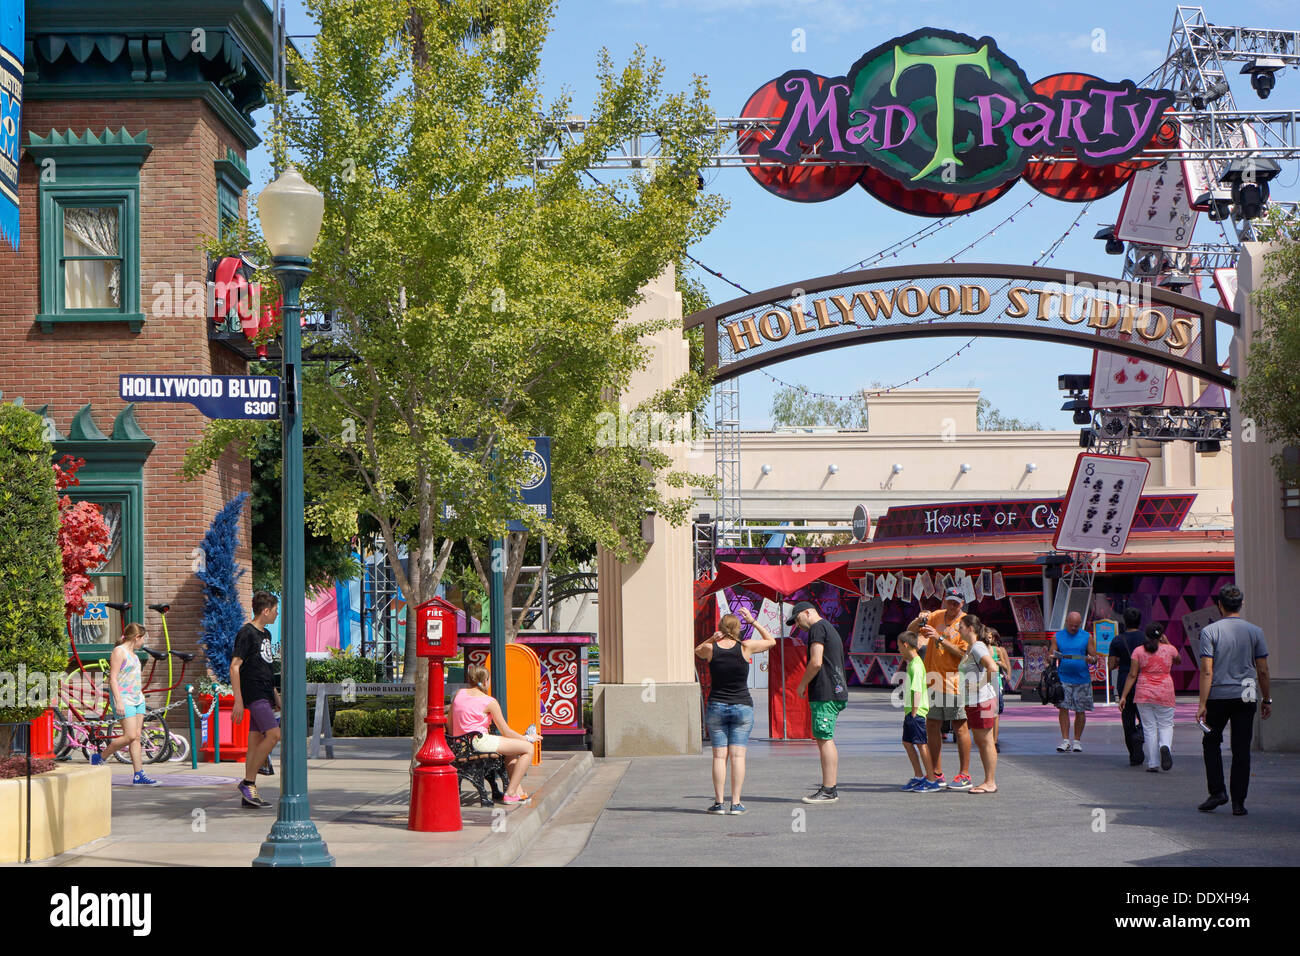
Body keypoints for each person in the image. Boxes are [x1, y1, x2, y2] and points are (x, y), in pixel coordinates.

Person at [694, 607, 777, 814]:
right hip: (742, 706)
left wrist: (712, 639)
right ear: (739, 628)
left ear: (720, 628)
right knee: (738, 757)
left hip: (717, 706)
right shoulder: (746, 647)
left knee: (719, 757)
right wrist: (753, 621)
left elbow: (697, 651)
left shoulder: (712, 649)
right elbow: (771, 641)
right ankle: (736, 803)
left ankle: (719, 803)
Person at [1196, 585, 1271, 815]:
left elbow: (1207, 670)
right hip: (1247, 693)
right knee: (1241, 748)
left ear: (1219, 605)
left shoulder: (1210, 632)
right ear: (1242, 604)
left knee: (1210, 742)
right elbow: (1263, 669)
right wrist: (1267, 699)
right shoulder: (1255, 631)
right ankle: (1239, 802)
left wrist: (1202, 704)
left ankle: (1217, 791)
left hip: (1218, 695)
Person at [909, 587, 972, 790]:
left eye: (956, 602)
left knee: (960, 726)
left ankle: (964, 773)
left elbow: (963, 654)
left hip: (955, 681)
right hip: (932, 679)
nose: (952, 606)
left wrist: (939, 638)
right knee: (932, 725)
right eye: (949, 601)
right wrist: (920, 619)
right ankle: (936, 772)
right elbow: (910, 631)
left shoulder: (967, 622)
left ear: (962, 603)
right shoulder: (936, 615)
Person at [451, 664, 541, 804]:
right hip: (479, 742)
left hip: (459, 744)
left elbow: (450, 722)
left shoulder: (459, 694)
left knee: (511, 751)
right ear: (486, 680)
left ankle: (518, 791)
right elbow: (506, 731)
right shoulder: (489, 701)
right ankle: (510, 793)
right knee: (528, 748)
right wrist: (528, 738)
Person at [789, 601, 849, 804]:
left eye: (798, 620)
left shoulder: (817, 628)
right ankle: (829, 787)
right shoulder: (828, 627)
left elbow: (816, 661)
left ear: (808, 612)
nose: (798, 625)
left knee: (824, 738)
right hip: (835, 689)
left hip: (826, 691)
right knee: (824, 738)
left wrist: (802, 684)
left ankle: (829, 789)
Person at [92, 622, 161, 786]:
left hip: (138, 699)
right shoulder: (119, 651)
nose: (144, 642)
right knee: (129, 735)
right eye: (143, 638)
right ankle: (99, 757)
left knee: (136, 737)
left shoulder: (135, 655)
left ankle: (139, 775)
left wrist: (141, 697)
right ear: (137, 637)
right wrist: (118, 701)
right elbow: (113, 678)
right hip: (124, 699)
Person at [231, 591, 282, 808]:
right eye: (275, 610)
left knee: (254, 741)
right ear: (266, 610)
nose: (277, 614)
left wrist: (277, 698)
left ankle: (249, 791)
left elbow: (267, 670)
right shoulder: (247, 633)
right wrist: (238, 701)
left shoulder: (267, 635)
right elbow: (235, 666)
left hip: (265, 692)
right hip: (253, 693)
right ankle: (247, 782)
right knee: (274, 735)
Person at [1117, 623, 1178, 773]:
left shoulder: (1138, 651)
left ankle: (1153, 763)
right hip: (1165, 691)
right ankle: (1165, 746)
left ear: (1146, 636)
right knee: (1166, 724)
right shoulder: (1169, 650)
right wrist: (1168, 643)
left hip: (1144, 692)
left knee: (1149, 728)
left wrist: (1123, 696)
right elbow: (1178, 660)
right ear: (1161, 635)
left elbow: (1132, 675)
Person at [957, 615, 999, 793]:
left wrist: (978, 685)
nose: (958, 629)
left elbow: (993, 667)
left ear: (970, 628)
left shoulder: (978, 647)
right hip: (974, 701)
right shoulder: (971, 648)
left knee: (985, 741)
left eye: (961, 626)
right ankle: (988, 780)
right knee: (982, 741)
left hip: (981, 700)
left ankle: (990, 782)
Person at [896, 632, 939, 793]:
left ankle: (932, 780)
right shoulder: (913, 663)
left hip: (917, 711)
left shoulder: (916, 664)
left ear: (905, 645)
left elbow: (918, 691)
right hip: (911, 711)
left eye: (899, 646)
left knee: (921, 744)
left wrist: (914, 712)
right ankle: (919, 776)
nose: (899, 649)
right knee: (907, 742)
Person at [1048, 611, 1097, 752]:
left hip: (1082, 678)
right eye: (1071, 625)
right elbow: (1051, 654)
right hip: (1063, 678)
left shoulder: (1087, 637)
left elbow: (1094, 657)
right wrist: (1052, 656)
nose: (1074, 628)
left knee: (1080, 710)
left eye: (1076, 626)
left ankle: (1077, 740)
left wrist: (1090, 659)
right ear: (1066, 623)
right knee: (1063, 708)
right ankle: (1065, 740)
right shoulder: (1057, 636)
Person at [1108, 607, 1147, 766]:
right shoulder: (1146, 638)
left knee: (1127, 718)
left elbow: (1111, 665)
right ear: (1140, 621)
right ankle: (1141, 734)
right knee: (1146, 716)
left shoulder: (1117, 640)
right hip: (1144, 680)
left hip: (1125, 680)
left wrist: (1119, 661)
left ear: (1124, 621)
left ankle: (1133, 754)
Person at [986, 627, 1011, 752]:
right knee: (986, 713)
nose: (987, 639)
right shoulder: (980, 650)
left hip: (996, 682)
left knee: (995, 714)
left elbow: (1006, 666)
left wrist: (1003, 667)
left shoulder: (998, 650)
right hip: (983, 684)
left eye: (989, 637)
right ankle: (987, 738)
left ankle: (994, 741)